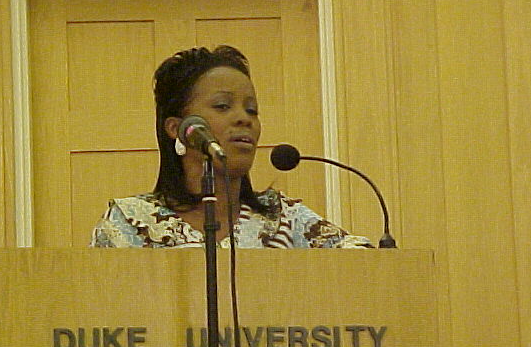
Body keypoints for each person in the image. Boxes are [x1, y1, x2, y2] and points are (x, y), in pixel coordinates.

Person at [91, 46, 371, 249]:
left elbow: (367, 268)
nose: (243, 119)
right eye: (222, 106)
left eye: (252, 110)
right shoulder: (130, 222)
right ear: (176, 128)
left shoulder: (285, 219)